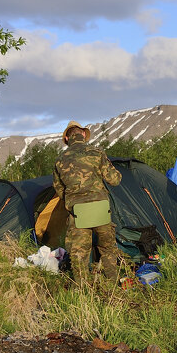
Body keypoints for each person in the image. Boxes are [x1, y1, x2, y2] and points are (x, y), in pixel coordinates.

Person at [52, 121, 122, 283]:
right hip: (101, 211)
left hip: (78, 214)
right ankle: (112, 286)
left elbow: (59, 190)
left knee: (79, 255)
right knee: (108, 250)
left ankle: (83, 293)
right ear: (83, 134)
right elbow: (115, 180)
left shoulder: (60, 159)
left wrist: (74, 200)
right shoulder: (97, 153)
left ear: (67, 138)